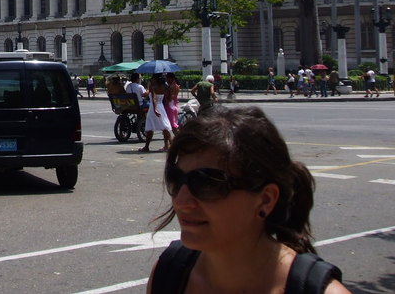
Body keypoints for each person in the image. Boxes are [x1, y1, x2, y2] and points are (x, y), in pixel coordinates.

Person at [147, 106, 349, 294]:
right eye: (176, 179)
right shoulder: (168, 274)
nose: (182, 201)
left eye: (208, 183)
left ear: (266, 200)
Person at [140, 74, 172, 152]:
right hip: (161, 107)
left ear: (155, 79)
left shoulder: (153, 86)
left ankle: (146, 146)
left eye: (152, 78)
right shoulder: (165, 86)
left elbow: (154, 99)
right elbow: (169, 98)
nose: (151, 79)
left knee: (150, 128)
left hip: (153, 107)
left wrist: (155, 109)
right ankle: (170, 145)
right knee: (164, 127)